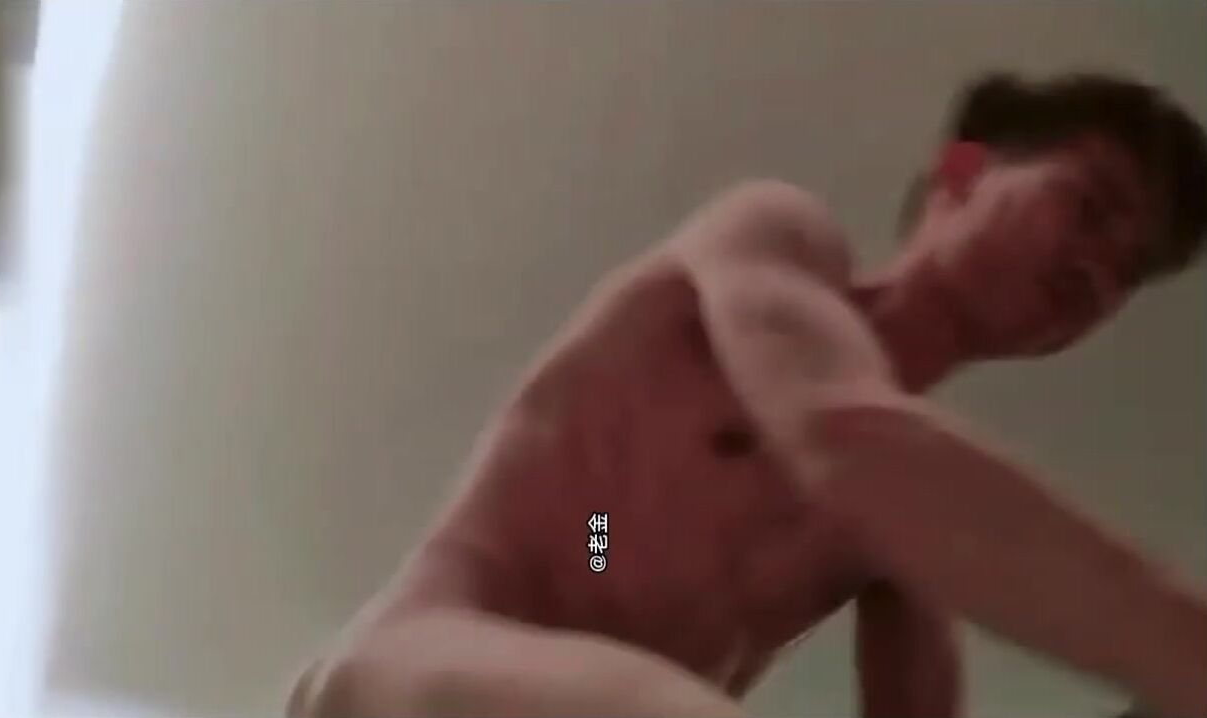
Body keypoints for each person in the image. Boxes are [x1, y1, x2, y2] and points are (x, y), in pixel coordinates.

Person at [287, 72, 1207, 718]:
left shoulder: (908, 539)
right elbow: (839, 436)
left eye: (1127, 274)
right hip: (410, 666)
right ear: (962, 174)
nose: (1098, 271)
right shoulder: (774, 240)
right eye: (1091, 206)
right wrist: (1184, 648)